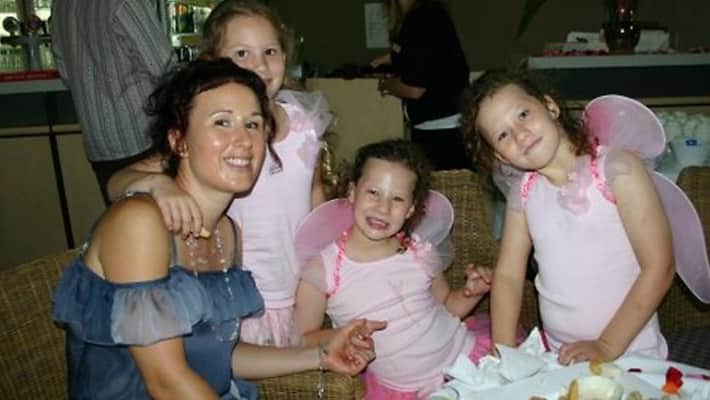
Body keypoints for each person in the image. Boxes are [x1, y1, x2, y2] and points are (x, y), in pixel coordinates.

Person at [52, 59, 384, 400]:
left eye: (253, 124)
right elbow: (166, 382)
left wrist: (321, 355)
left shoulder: (227, 232)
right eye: (222, 122)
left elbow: (220, 356)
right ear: (179, 141)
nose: (243, 140)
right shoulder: (139, 222)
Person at [106, 0, 333, 347]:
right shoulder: (212, 139)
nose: (260, 64)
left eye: (270, 51)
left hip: (301, 292)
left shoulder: (303, 126)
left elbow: (315, 195)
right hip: (241, 303)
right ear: (211, 62)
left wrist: (325, 262)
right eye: (242, 53)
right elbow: (116, 183)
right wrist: (157, 183)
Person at [460, 68, 710, 365]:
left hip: (631, 354)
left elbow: (659, 266)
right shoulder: (523, 193)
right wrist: (503, 352)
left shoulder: (617, 169)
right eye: (503, 135)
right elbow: (508, 276)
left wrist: (606, 345)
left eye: (523, 114)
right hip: (560, 357)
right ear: (500, 156)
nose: (520, 134)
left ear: (550, 106)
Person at [294, 139, 494, 399]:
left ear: (411, 209)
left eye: (397, 198)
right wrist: (341, 335)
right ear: (352, 192)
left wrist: (471, 293)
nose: (383, 208)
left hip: (468, 359)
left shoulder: (418, 250)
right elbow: (301, 338)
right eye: (373, 192)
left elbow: (446, 306)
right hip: (406, 390)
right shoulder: (323, 269)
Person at [51, 0, 174, 203]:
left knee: (123, 214)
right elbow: (162, 65)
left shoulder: (60, 5)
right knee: (163, 214)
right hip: (142, 133)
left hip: (98, 140)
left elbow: (64, 71)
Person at [370, 0, 470, 171]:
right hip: (439, 126)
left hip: (442, 131)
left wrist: (387, 85)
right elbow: (420, 54)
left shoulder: (423, 18)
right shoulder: (423, 15)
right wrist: (387, 59)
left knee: (441, 184)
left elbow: (414, 88)